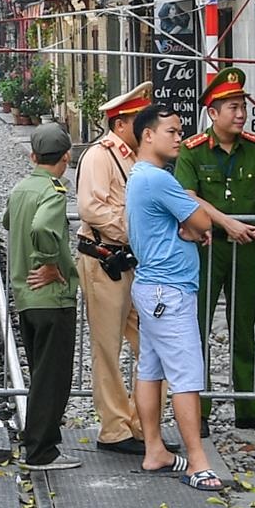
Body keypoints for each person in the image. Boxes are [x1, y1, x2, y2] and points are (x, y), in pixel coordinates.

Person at [174, 67, 255, 438]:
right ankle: (199, 409)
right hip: (206, 250)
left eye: (242, 107)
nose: (240, 114)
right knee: (198, 328)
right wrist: (227, 223)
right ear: (213, 112)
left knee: (245, 328)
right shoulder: (191, 152)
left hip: (246, 250)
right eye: (232, 108)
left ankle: (248, 407)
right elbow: (188, 197)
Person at [77, 82, 178, 456]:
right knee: (107, 347)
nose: (145, 127)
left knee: (152, 346)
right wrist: (137, 229)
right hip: (106, 261)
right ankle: (115, 428)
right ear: (121, 124)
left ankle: (143, 423)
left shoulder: (143, 159)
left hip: (139, 263)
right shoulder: (99, 157)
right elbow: (91, 209)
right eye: (138, 120)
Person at [126, 104, 222, 491]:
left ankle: (155, 450)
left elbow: (192, 224)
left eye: (180, 130)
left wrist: (189, 228)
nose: (179, 136)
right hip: (170, 290)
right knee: (185, 376)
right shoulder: (159, 180)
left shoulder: (139, 176)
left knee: (150, 370)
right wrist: (194, 228)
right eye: (172, 131)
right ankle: (197, 461)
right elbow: (202, 220)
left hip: (151, 287)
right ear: (148, 135)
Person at [3, 123, 82, 471]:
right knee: (53, 378)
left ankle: (38, 444)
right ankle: (40, 452)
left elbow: (9, 222)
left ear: (33, 156)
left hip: (25, 297)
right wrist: (54, 264)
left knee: (40, 374)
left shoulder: (21, 188)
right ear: (66, 156)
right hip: (51, 297)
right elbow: (41, 228)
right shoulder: (54, 190)